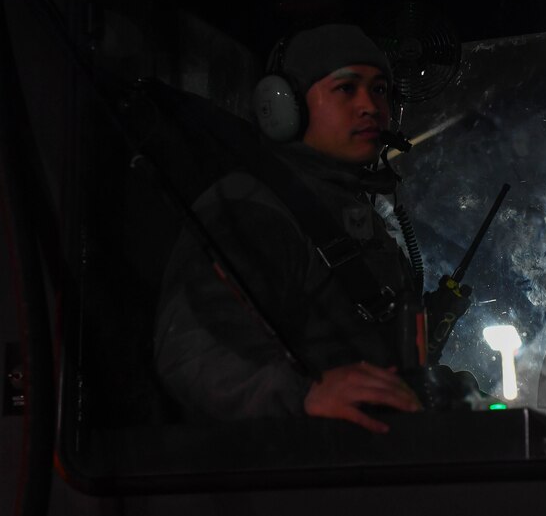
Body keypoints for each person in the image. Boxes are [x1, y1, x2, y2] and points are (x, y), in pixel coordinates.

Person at [154, 24, 466, 433]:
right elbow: (192, 352)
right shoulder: (253, 207)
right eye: (346, 89)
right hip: (289, 475)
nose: (370, 106)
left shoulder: (357, 215)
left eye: (379, 90)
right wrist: (304, 394)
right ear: (285, 107)